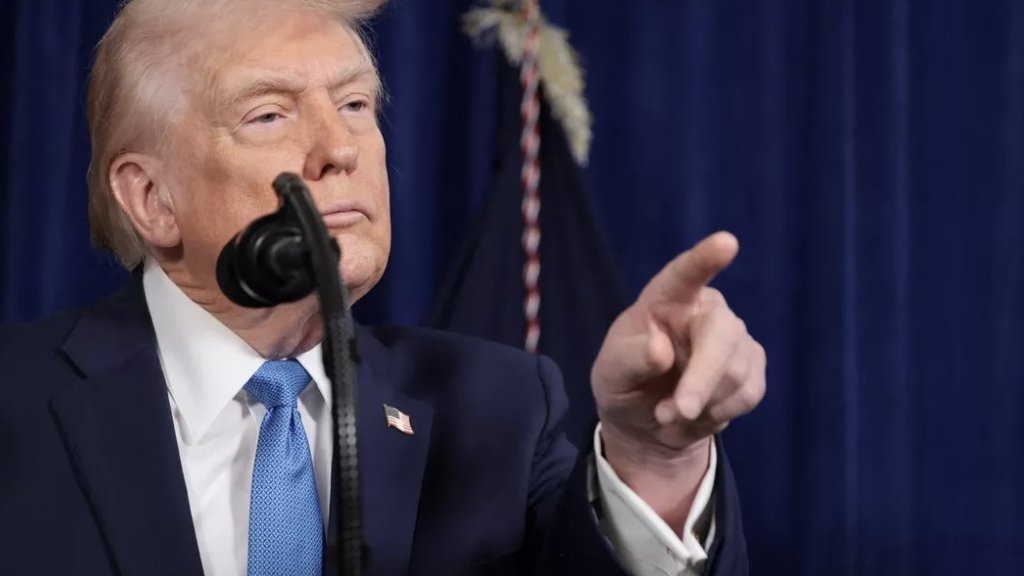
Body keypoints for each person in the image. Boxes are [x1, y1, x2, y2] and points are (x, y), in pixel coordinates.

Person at [0, 1, 766, 575]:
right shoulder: (17, 399)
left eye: (356, 105)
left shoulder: (499, 409)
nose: (341, 148)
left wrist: (654, 455)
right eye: (268, 115)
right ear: (152, 200)